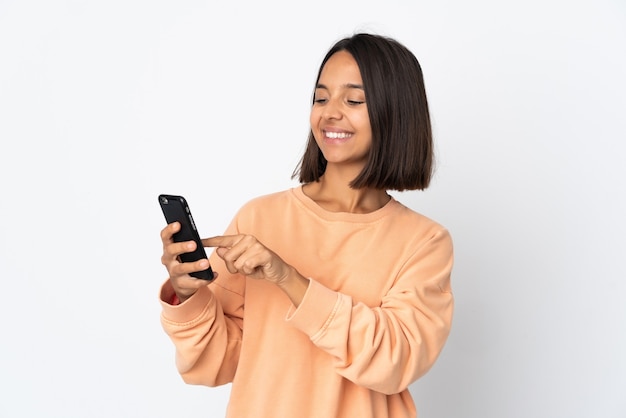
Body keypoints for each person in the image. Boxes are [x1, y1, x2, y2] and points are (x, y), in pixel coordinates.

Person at [159, 32, 454, 418]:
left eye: (353, 100)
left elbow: (394, 360)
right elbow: (218, 362)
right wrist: (189, 295)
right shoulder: (259, 219)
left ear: (396, 111)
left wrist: (288, 278)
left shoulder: (424, 242)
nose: (329, 112)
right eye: (320, 97)